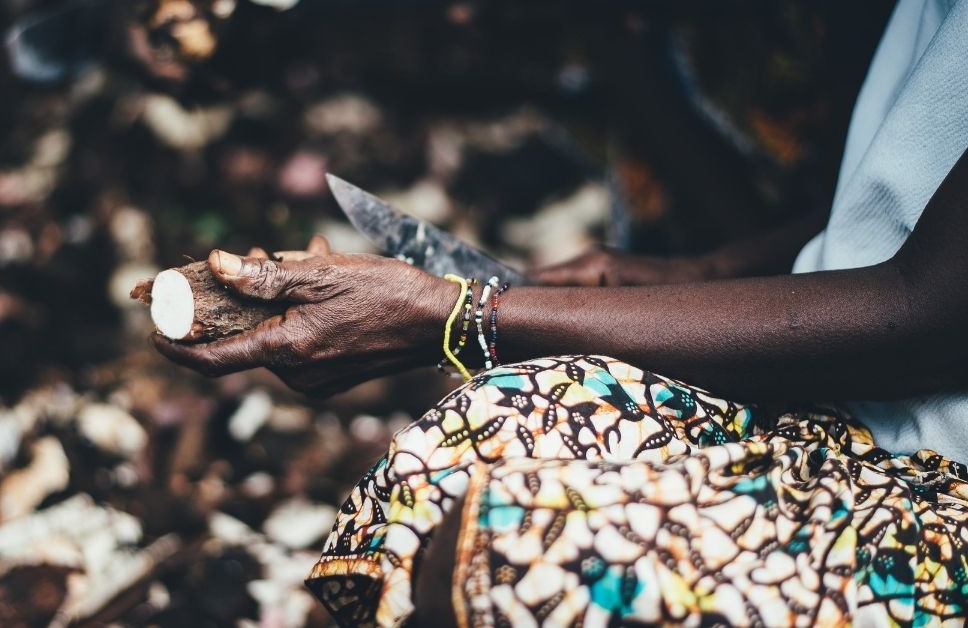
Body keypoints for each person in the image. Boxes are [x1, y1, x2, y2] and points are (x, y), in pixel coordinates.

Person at [154, 0, 968, 625]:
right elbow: (895, 204)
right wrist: (694, 272)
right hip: (847, 397)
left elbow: (923, 311)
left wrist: (462, 314)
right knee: (465, 444)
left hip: (940, 471)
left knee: (512, 557)